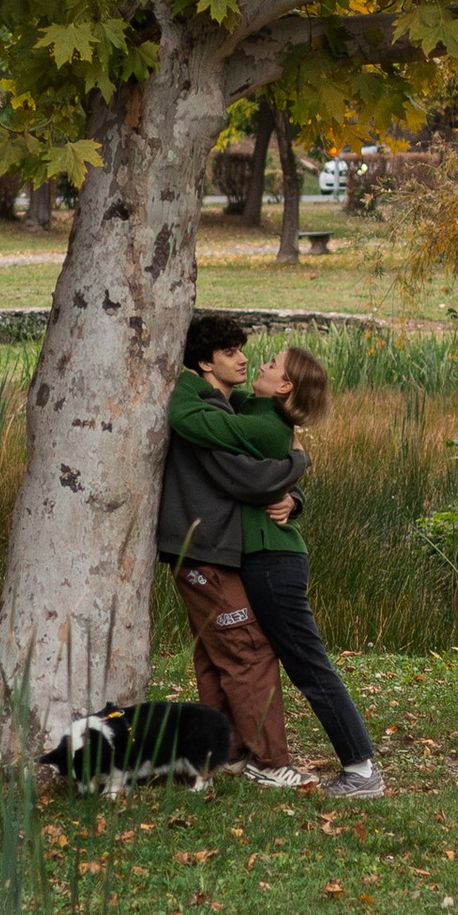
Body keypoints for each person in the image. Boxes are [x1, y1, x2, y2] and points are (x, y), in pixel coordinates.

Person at [227, 346, 385, 800]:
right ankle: (240, 750)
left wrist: (296, 483)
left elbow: (225, 437)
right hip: (270, 557)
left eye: (272, 365)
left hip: (274, 561)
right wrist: (296, 485)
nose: (259, 364)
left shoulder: (265, 425)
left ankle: (361, 769)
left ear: (285, 386)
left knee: (309, 665)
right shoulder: (262, 415)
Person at [158, 311, 308, 784]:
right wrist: (298, 463)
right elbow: (248, 478)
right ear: (205, 363)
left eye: (243, 350)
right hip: (203, 551)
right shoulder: (199, 414)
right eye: (230, 353)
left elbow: (266, 445)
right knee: (249, 650)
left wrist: (294, 496)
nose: (243, 359)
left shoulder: (228, 406)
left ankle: (229, 752)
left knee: (218, 655)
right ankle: (270, 763)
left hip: (213, 551)